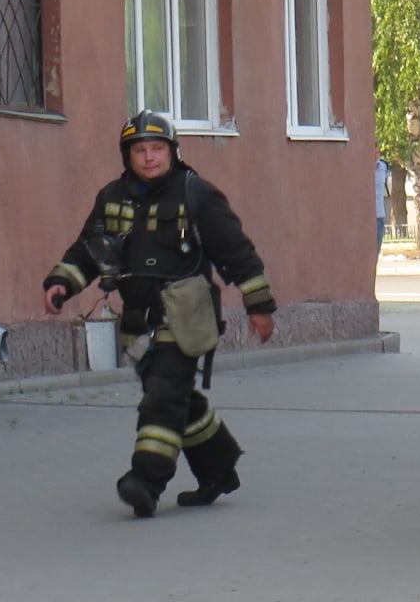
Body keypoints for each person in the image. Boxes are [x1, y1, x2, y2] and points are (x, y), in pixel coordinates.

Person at [43, 112, 276, 519]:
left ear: (172, 152)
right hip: (137, 321)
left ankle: (146, 481)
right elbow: (88, 250)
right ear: (127, 156)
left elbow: (236, 252)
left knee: (163, 399)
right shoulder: (111, 197)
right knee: (175, 401)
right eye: (140, 150)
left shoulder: (196, 194)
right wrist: (62, 282)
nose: (149, 158)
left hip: (185, 316)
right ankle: (219, 470)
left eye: (157, 149)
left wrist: (259, 307)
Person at [375, 152, 392, 253]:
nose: (375, 155)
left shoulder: (383, 166)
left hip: (379, 215)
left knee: (377, 251)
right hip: (365, 217)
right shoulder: (361, 168)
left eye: (377, 153)